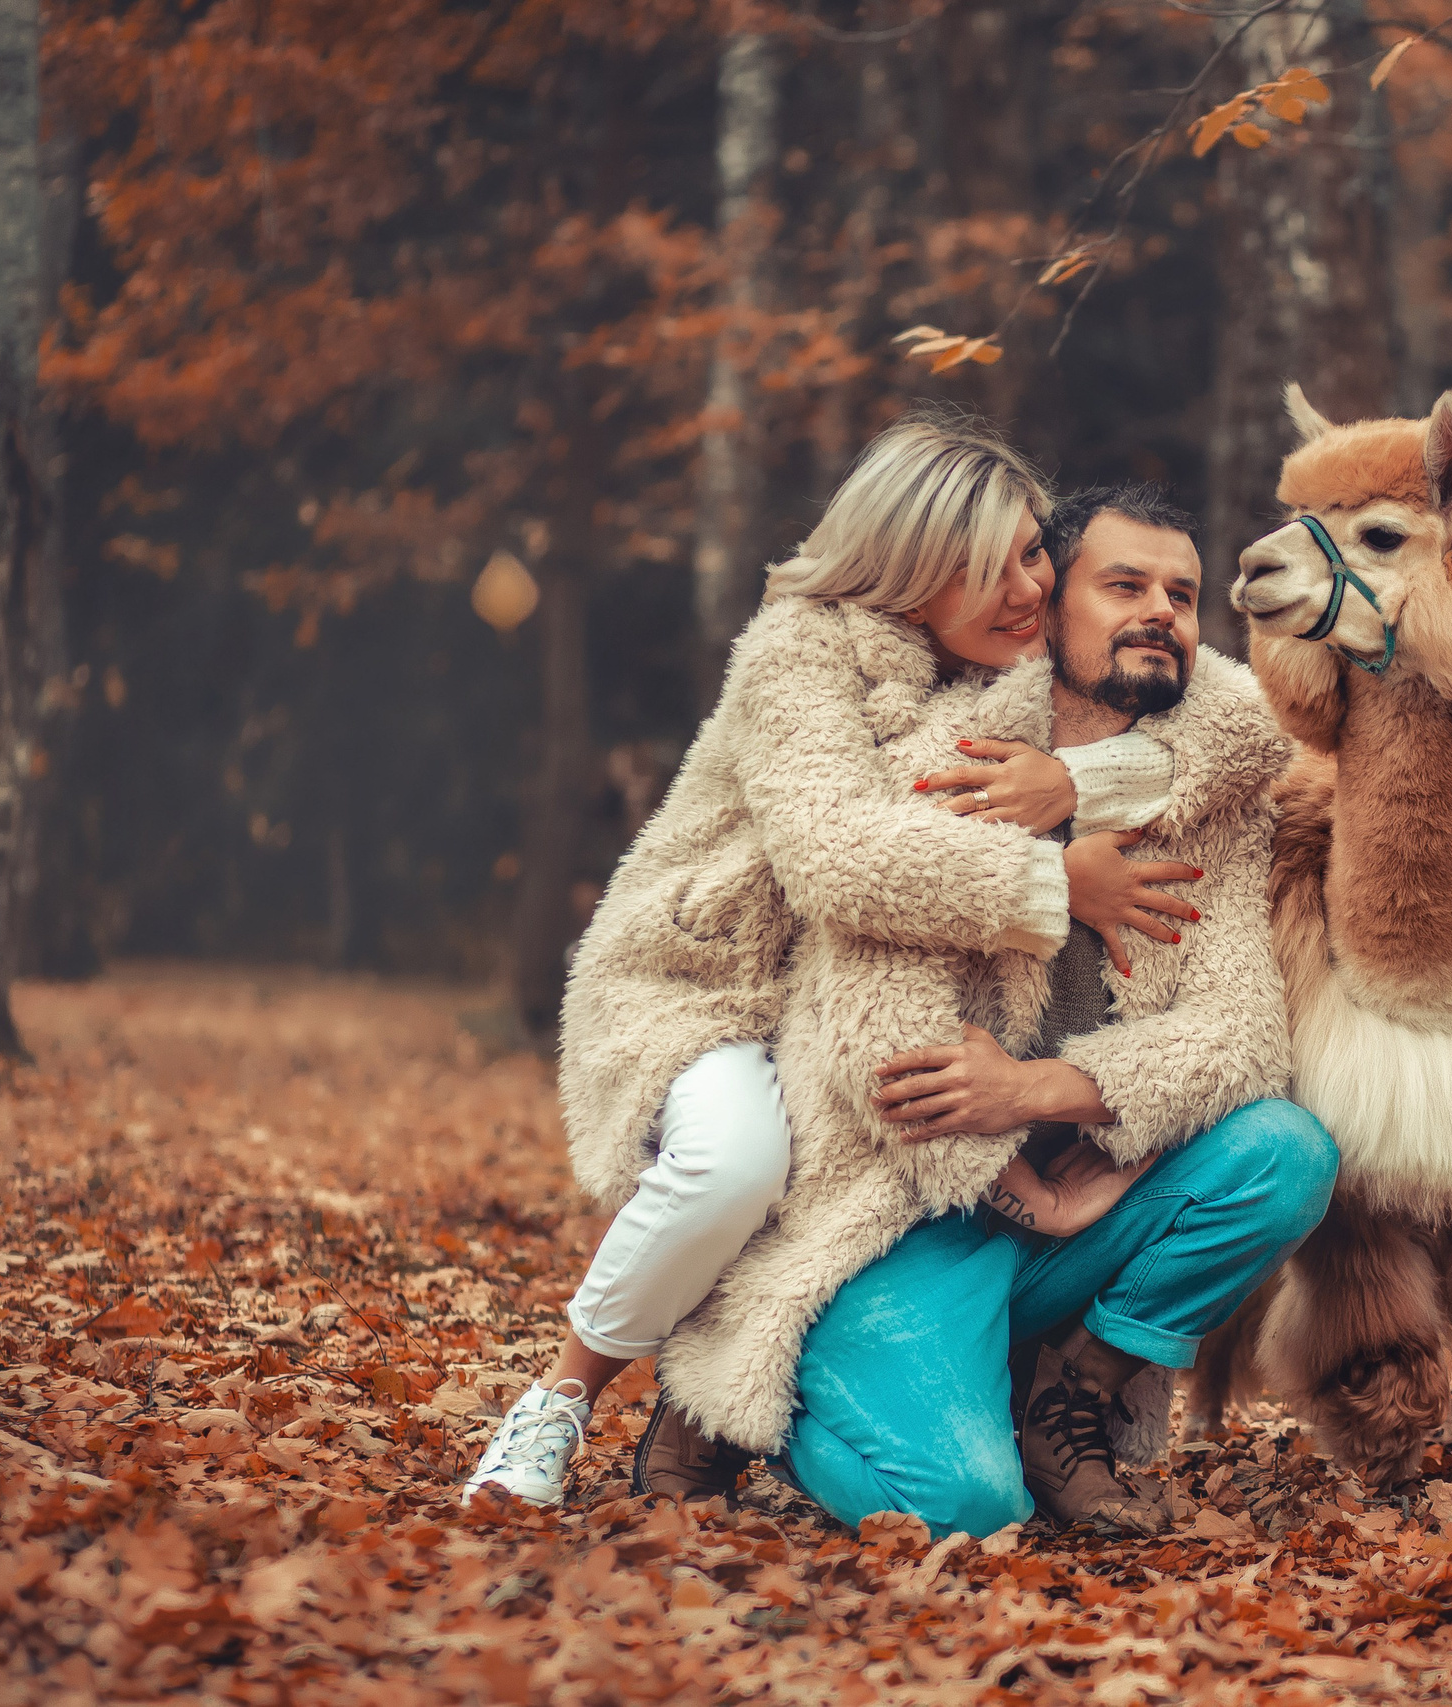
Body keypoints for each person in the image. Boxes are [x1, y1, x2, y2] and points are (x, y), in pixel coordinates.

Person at [464, 419, 1260, 1508]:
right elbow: (845, 857)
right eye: (1002, 560)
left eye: (1037, 553)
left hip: (828, 996)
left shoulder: (994, 663)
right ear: (921, 561)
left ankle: (814, 1377)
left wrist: (1078, 789)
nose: (1032, 585)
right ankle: (563, 1398)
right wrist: (1054, 885)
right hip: (709, 984)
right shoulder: (799, 650)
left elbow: (1225, 736)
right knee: (734, 1166)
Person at [648, 484, 1340, 1537]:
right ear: (1047, 606)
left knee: (1284, 1151)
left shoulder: (1215, 797)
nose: (1160, 608)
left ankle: (1068, 1395)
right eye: (1123, 584)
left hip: (1081, 1209)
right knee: (963, 1506)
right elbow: (876, 1034)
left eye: (1183, 593)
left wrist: (1037, 1092)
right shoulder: (948, 756)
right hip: (913, 1213)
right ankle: (760, 1395)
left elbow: (1239, 1031)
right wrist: (1014, 1181)